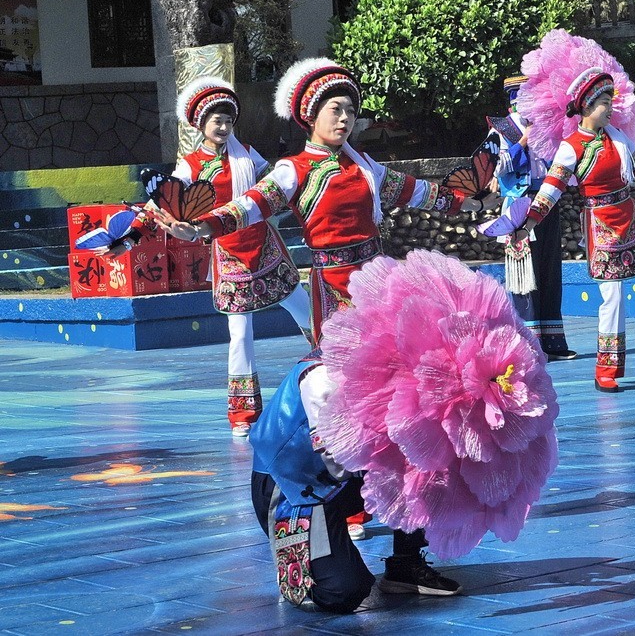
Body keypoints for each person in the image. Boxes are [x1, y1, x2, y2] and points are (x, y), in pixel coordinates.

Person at [157, 57, 492, 593]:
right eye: (335, 109)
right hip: (335, 299)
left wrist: (470, 199)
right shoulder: (294, 169)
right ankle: (348, 510)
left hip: (384, 291)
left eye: (352, 110)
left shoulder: (364, 166)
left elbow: (416, 191)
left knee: (414, 413)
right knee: (350, 412)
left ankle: (406, 553)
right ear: (309, 115)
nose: (345, 118)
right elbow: (248, 207)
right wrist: (201, 226)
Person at [104, 76, 311, 437]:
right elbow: (159, 205)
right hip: (229, 253)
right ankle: (243, 416)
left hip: (265, 247)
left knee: (306, 309)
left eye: (228, 120)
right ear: (200, 124)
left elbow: (276, 188)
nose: (224, 126)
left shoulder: (247, 153)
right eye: (216, 120)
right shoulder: (190, 166)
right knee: (241, 334)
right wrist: (129, 238)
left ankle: (340, 371)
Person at [513, 67, 635, 394]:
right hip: (601, 227)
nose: (610, 108)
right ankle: (606, 369)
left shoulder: (619, 138)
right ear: (585, 107)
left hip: (631, 218)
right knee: (612, 298)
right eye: (603, 102)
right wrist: (528, 221)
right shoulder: (571, 147)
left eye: (610, 101)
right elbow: (551, 189)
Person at [249, 350, 460, 613]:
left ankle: (405, 564)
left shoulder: (389, 365)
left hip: (339, 479)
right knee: (342, 592)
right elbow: (336, 462)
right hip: (293, 485)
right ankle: (301, 570)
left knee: (424, 463)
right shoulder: (321, 376)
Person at [487, 74, 575, 361]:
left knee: (550, 269)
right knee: (524, 275)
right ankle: (529, 344)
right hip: (518, 208)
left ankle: (553, 342)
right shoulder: (501, 130)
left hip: (547, 202)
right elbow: (494, 167)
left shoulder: (548, 128)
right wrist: (523, 142)